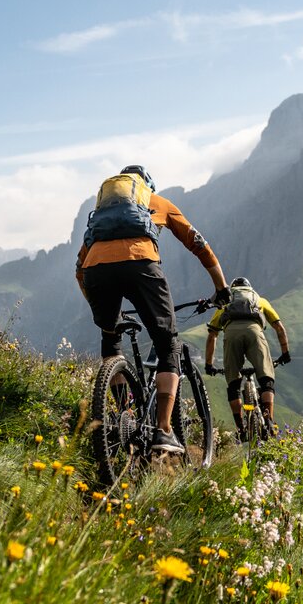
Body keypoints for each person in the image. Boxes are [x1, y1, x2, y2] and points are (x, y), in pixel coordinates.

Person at [75, 164, 230, 453]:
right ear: (146, 187)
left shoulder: (101, 214)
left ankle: (124, 416)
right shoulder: (155, 202)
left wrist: (102, 313)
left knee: (111, 340)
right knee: (168, 343)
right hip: (141, 266)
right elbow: (199, 244)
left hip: (96, 271)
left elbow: (79, 269)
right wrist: (221, 288)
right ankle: (164, 430)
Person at [204, 276, 290, 441]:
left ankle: (241, 430)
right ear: (249, 289)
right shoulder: (259, 300)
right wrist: (285, 353)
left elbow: (212, 335)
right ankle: (270, 422)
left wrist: (209, 364)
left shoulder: (226, 302)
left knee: (233, 384)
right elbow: (279, 327)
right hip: (254, 333)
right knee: (266, 380)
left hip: (231, 334)